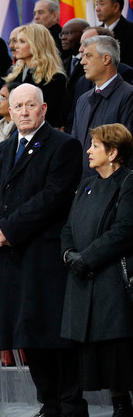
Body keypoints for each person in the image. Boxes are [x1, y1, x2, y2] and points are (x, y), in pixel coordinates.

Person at [0, 84, 86, 417]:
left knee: (54, 334)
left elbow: (53, 198)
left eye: (30, 105)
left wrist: (8, 228)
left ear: (44, 109)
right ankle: (48, 403)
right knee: (27, 333)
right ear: (10, 111)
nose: (23, 111)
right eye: (17, 105)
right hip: (12, 256)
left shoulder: (64, 146)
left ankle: (69, 403)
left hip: (45, 255)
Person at [61, 123, 133, 415]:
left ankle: (123, 406)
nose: (88, 150)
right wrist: (68, 255)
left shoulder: (128, 182)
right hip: (83, 280)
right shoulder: (87, 184)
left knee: (118, 354)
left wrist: (86, 258)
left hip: (111, 280)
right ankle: (119, 405)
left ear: (113, 152)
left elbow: (124, 230)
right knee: (97, 357)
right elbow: (68, 227)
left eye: (95, 146)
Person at [73, 35, 133, 179]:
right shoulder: (82, 100)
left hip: (113, 188)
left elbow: (127, 149)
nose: (82, 62)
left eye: (88, 55)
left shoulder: (129, 95)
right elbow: (74, 145)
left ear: (106, 59)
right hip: (83, 188)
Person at [4, 24, 68, 128]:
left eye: (22, 42)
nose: (16, 46)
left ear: (37, 44)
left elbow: (52, 115)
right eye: (16, 41)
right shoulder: (12, 73)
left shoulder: (54, 78)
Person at [95, 0, 133, 67]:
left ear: (116, 7)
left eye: (101, 4)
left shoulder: (130, 31)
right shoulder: (95, 33)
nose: (97, 9)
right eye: (96, 4)